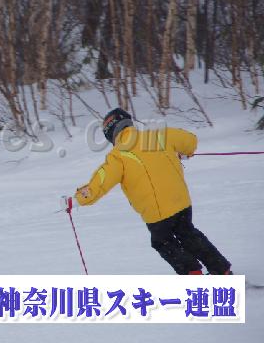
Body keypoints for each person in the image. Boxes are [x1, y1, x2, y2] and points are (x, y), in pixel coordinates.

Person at [72, 108, 232, 275]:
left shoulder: (118, 156)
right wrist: (184, 152)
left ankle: (193, 274)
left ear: (110, 134)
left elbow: (101, 182)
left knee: (162, 242)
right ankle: (223, 271)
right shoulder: (158, 135)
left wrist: (78, 199)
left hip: (157, 213)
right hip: (181, 202)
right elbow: (190, 141)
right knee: (188, 234)